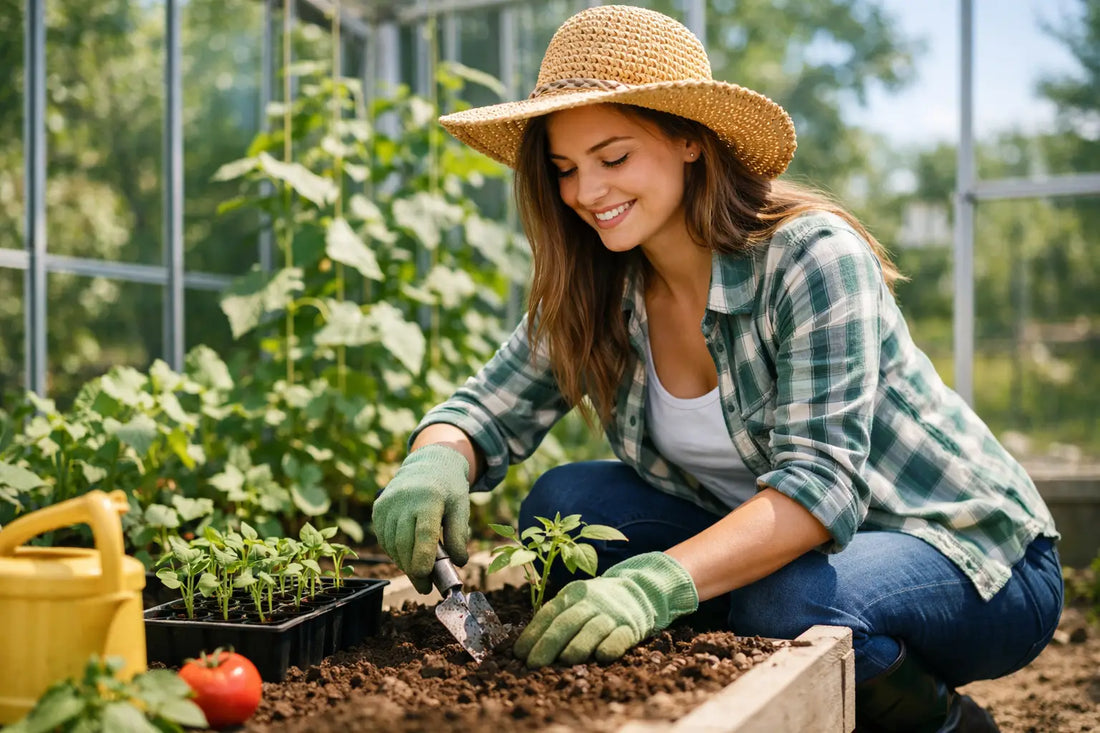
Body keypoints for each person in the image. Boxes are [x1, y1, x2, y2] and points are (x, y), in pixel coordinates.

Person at [370, 5, 1062, 732]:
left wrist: (659, 584)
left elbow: (818, 488)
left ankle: (950, 724)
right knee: (565, 506)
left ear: (689, 141)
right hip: (793, 549)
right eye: (566, 169)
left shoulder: (809, 258)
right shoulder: (606, 283)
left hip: (972, 554)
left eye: (614, 157)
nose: (586, 193)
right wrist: (434, 460)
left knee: (788, 605)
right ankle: (741, 639)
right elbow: (484, 411)